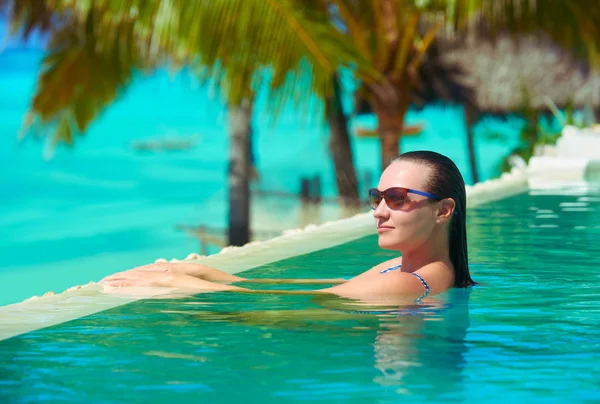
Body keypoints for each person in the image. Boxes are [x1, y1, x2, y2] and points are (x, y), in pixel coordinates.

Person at [100, 150, 476, 302]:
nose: (378, 210)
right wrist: (207, 273)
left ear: (443, 211)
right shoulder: (407, 268)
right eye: (376, 196)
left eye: (396, 197)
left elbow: (279, 309)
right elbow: (318, 289)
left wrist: (176, 284)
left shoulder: (408, 282)